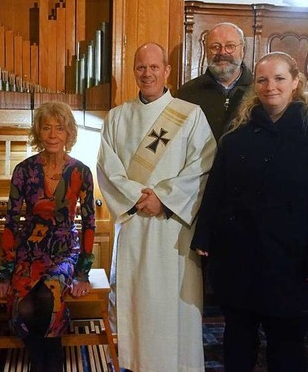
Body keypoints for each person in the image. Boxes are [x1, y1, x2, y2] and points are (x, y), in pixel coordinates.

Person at [191, 52, 308, 371]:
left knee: (286, 347)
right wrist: (205, 235)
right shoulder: (238, 135)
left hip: (293, 263)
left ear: (295, 82)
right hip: (241, 259)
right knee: (237, 340)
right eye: (263, 79)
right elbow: (217, 189)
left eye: (279, 78)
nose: (270, 86)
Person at [97, 42, 216, 372]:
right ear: (133, 71)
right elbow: (107, 167)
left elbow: (203, 165)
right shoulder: (118, 117)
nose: (146, 73)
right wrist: (138, 196)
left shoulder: (189, 115)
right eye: (140, 67)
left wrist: (163, 199)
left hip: (172, 229)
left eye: (153, 67)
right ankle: (136, 364)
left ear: (166, 71)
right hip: (134, 225)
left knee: (170, 305)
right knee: (137, 303)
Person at [0, 101, 96, 372]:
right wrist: (5, 274)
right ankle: (43, 365)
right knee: (24, 306)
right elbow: (12, 222)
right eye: (46, 128)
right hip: (30, 250)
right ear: (38, 132)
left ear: (69, 134)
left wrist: (83, 273)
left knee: (49, 297)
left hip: (64, 250)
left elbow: (89, 223)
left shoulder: (81, 171)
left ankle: (50, 367)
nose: (52, 135)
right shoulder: (24, 170)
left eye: (59, 129)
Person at [178, 22, 253, 140]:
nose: (222, 52)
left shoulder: (258, 92)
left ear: (242, 51)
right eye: (215, 47)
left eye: (230, 46)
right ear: (206, 52)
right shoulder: (186, 94)